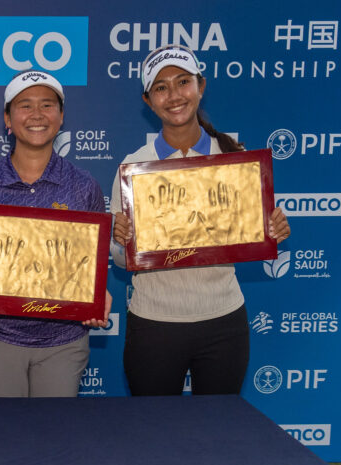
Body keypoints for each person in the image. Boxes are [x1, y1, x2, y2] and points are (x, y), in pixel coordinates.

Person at [110, 45, 291, 396]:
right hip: (154, 324)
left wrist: (273, 230)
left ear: (200, 86)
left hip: (223, 320)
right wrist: (124, 241)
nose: (174, 95)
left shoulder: (235, 158)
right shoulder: (133, 168)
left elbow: (257, 231)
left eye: (183, 82)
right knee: (155, 433)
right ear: (148, 101)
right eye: (161, 87)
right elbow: (120, 258)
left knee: (217, 437)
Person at [0, 70, 110, 398]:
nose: (37, 114)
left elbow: (90, 264)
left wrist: (97, 295)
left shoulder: (83, 186)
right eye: (25, 106)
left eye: (47, 105)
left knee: (54, 440)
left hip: (63, 340)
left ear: (61, 117)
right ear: (7, 119)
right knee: (2, 439)